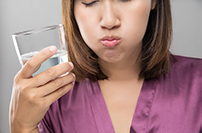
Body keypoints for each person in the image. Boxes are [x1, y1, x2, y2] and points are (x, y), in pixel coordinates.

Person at [9, 0, 202, 132]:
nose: (109, 21)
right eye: (90, 1)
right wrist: (23, 127)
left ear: (154, 1)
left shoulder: (198, 86)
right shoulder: (49, 101)